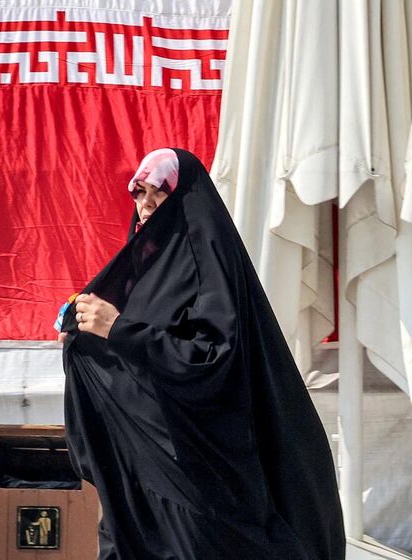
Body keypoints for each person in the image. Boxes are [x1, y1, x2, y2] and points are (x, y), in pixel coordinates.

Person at [58, 148, 343, 559]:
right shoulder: (137, 276)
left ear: (186, 197)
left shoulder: (208, 268)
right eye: (138, 192)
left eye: (160, 192)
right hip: (142, 474)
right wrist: (83, 345)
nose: (146, 204)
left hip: (199, 478)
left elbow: (213, 358)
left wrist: (119, 330)